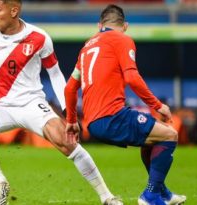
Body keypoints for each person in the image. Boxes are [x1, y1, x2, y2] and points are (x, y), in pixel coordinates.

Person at [0, 0, 122, 205]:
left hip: (32, 104)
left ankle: (107, 197)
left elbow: (56, 75)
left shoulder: (39, 38)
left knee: (68, 142)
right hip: (0, 105)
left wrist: (67, 109)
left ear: (14, 11)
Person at [64, 5, 186, 205]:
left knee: (153, 138)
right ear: (125, 26)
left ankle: (163, 193)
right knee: (170, 135)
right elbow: (132, 77)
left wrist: (70, 121)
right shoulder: (123, 39)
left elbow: (70, 88)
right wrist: (157, 105)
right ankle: (151, 195)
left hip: (93, 123)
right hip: (112, 116)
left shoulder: (86, 48)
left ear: (99, 25)